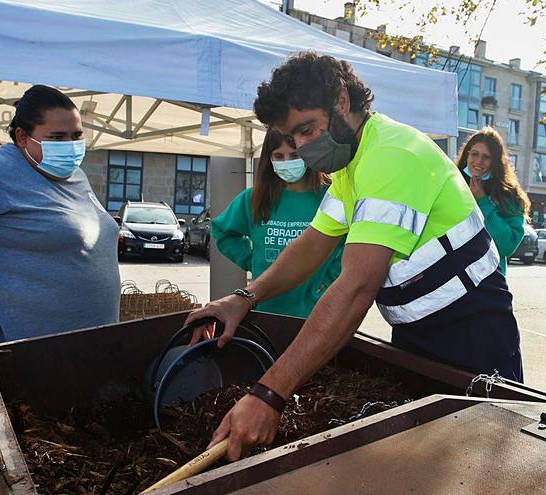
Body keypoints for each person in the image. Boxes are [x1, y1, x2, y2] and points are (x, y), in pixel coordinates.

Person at [185, 52, 523, 460]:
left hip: (473, 332)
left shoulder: (392, 155)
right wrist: (245, 297)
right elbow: (313, 243)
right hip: (417, 333)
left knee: (484, 461)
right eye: (293, 139)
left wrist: (269, 394)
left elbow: (357, 285)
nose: (303, 148)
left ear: (341, 101)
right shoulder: (351, 164)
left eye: (307, 130)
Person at [0, 85, 120, 346]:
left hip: (85, 351)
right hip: (21, 357)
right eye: (57, 137)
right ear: (22, 137)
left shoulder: (75, 175)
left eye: (77, 135)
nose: (70, 145)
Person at [211, 129, 343, 318]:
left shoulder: (332, 197)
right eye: (278, 156)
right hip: (265, 309)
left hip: (316, 311)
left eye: (294, 155)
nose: (286, 162)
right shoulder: (254, 197)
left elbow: (351, 243)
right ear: (268, 158)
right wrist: (253, 261)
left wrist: (331, 278)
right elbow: (222, 231)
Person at [455, 128, 529, 275]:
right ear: (466, 155)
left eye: (486, 157)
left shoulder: (509, 195)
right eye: (474, 154)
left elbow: (507, 246)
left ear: (496, 161)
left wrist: (483, 202)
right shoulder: (453, 184)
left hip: (489, 281)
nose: (478, 161)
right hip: (452, 278)